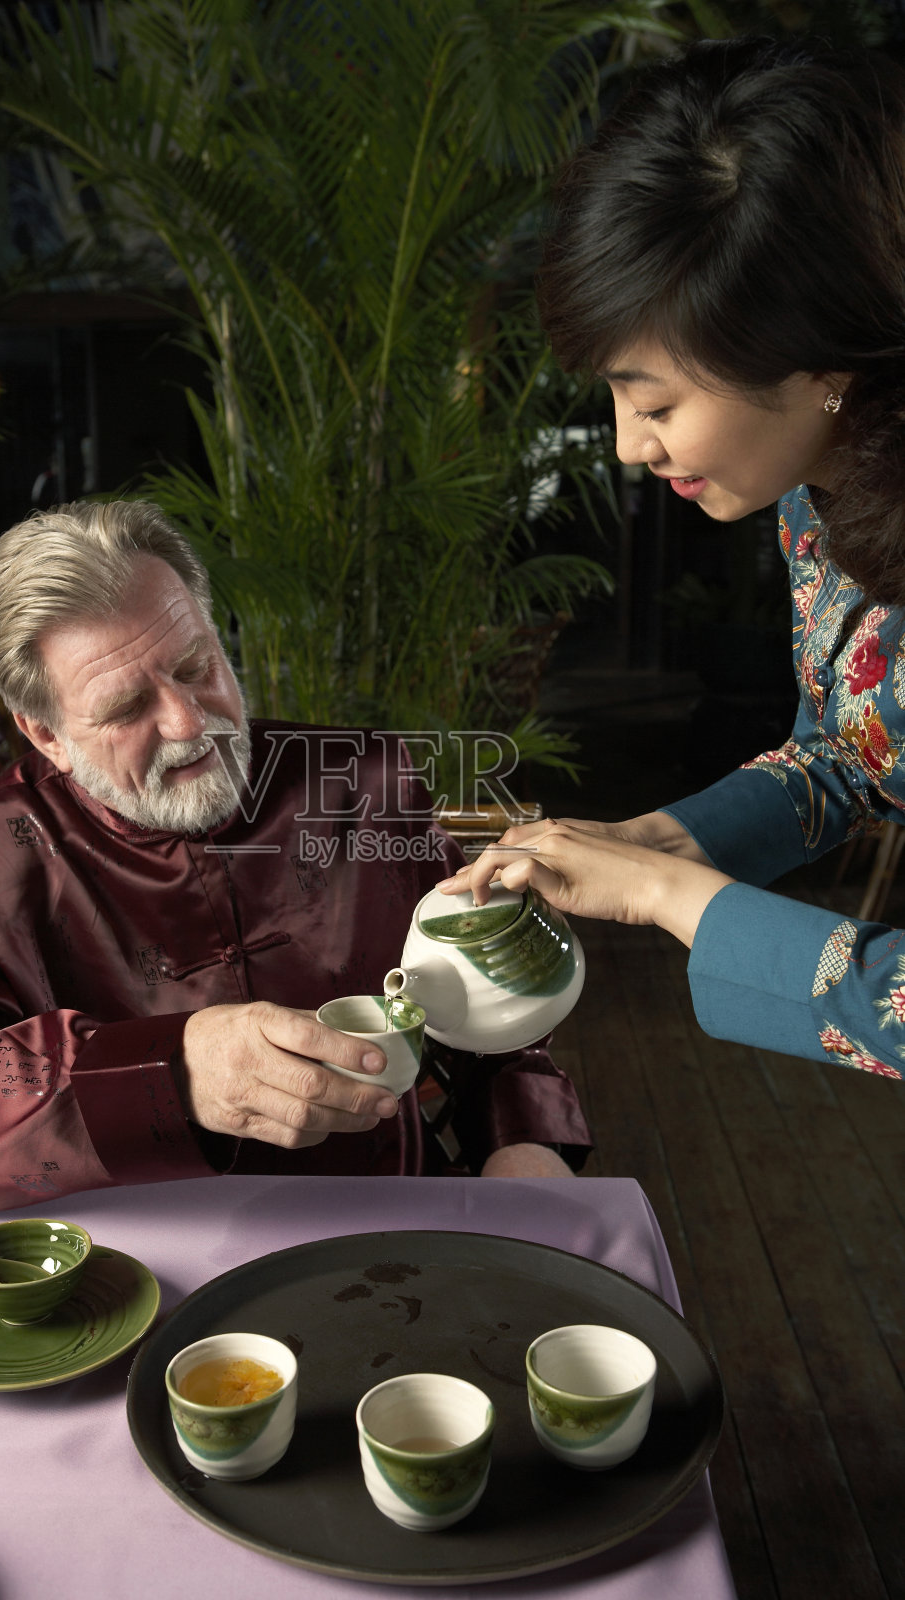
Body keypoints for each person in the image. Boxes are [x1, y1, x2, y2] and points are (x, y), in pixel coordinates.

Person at [0, 500, 590, 1210]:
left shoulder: (362, 781)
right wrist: (168, 1075)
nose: (188, 720)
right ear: (45, 734)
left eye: (196, 666)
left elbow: (483, 1008)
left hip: (384, 1210)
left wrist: (523, 1138)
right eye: (128, 708)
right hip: (123, 1265)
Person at [443, 36, 905, 1082]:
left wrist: (673, 901)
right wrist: (653, 842)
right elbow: (847, 754)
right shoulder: (818, 493)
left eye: (653, 403)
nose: (624, 444)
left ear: (815, 362)